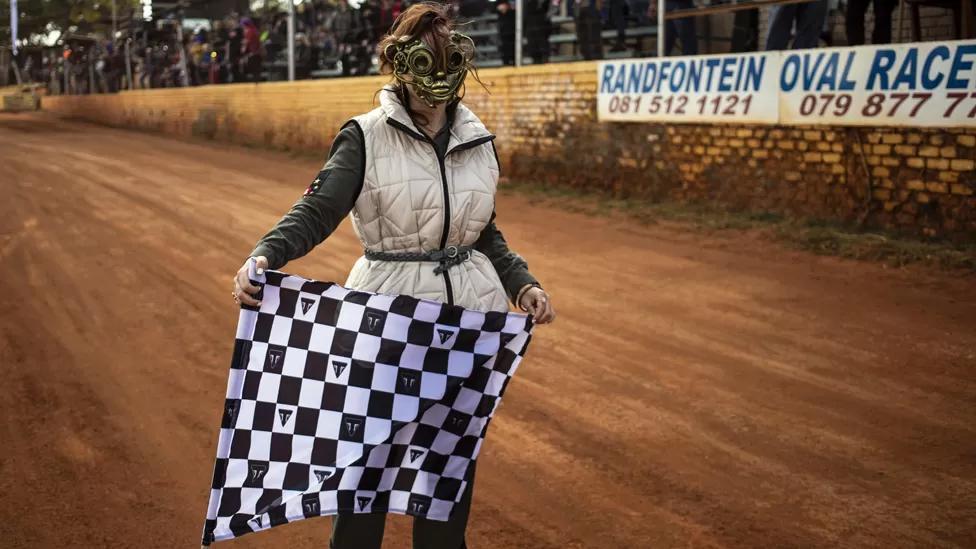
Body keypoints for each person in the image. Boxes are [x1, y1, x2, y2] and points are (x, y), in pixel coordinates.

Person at [231, 4, 556, 547]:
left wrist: (522, 283)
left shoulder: (477, 138)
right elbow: (317, 210)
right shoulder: (365, 135)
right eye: (426, 58)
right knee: (366, 476)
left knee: (446, 477)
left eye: (449, 58)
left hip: (466, 327)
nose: (438, 77)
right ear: (399, 63)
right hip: (387, 322)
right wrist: (267, 254)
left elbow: (481, 229)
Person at [496, 0, 516, 65]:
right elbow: (497, 8)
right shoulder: (500, 6)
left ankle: (514, 63)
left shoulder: (512, 12)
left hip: (513, 31)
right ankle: (506, 64)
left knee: (513, 49)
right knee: (505, 51)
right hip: (504, 32)